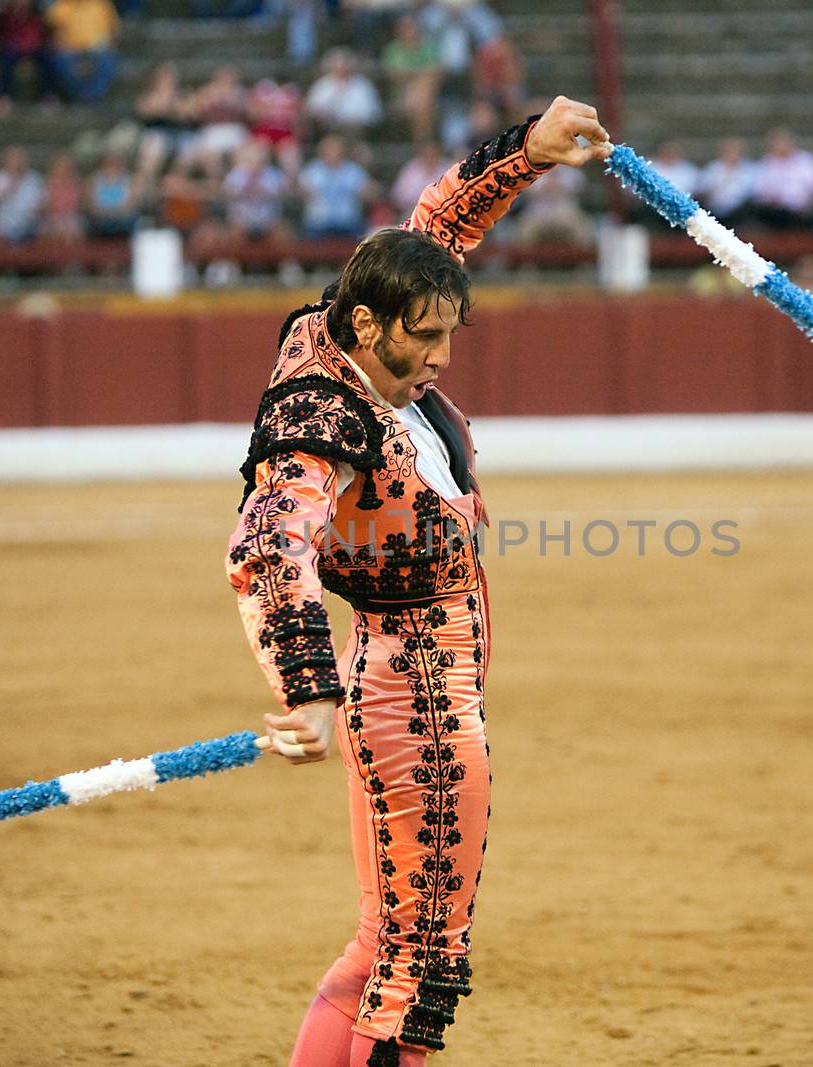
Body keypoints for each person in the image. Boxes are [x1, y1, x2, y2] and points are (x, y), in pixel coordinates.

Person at [226, 94, 612, 1067]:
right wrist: (304, 686)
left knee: (383, 943)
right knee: (424, 958)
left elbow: (433, 227)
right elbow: (270, 540)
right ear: (367, 324)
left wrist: (530, 147)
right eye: (423, 339)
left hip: (416, 671)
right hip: (414, 691)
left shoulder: (348, 324)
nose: (439, 359)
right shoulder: (323, 412)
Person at [748, 127, 813, 230]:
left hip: (804, 211)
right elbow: (759, 191)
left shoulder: (808, 161)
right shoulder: (766, 164)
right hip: (776, 213)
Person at [0, 0, 56, 116]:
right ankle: (3, 97)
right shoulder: (4, 13)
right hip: (11, 49)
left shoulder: (37, 13)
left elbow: (44, 34)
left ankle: (48, 96)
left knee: (49, 59)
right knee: (5, 60)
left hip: (33, 48)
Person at [296, 132, 370, 239]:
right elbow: (300, 192)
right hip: (319, 223)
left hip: (347, 222)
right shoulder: (312, 171)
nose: (333, 153)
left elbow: (368, 192)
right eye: (330, 150)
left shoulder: (353, 171)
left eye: (336, 150)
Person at [381, 15, 440, 143]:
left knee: (422, 95)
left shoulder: (427, 46)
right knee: (422, 95)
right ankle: (424, 141)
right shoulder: (393, 50)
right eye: (405, 29)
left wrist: (412, 74)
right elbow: (395, 75)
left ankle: (421, 141)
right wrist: (419, 74)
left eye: (412, 28)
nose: (409, 32)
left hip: (425, 94)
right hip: (401, 95)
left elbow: (435, 71)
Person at [46, 0, 117, 104]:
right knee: (60, 60)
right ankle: (79, 96)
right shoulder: (60, 6)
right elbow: (51, 34)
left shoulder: (102, 5)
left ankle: (92, 96)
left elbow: (114, 31)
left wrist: (105, 44)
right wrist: (64, 45)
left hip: (97, 51)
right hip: (70, 51)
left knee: (109, 58)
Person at [218, 138, 287, 241]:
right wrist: (244, 189)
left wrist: (263, 190)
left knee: (282, 234)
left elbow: (283, 193)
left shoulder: (273, 174)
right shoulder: (236, 174)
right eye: (251, 159)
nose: (255, 162)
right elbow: (225, 194)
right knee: (233, 233)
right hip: (241, 220)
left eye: (258, 159)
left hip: (268, 220)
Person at [303, 47, 380, 135]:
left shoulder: (363, 85)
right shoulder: (322, 84)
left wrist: (349, 119)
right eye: (337, 67)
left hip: (355, 129)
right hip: (326, 129)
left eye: (344, 66)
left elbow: (372, 114)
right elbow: (312, 108)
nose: (341, 69)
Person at [0, 143, 44, 243]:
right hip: (3, 224)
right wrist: (14, 182)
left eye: (20, 158)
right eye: (13, 158)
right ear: (5, 161)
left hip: (30, 224)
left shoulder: (35, 179)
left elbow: (43, 204)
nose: (17, 161)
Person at [698, 136, 754, 227]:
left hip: (741, 212)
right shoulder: (712, 169)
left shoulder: (750, 170)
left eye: (735, 150)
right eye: (729, 151)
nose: (732, 154)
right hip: (715, 211)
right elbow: (703, 190)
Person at [85, 149, 139, 238]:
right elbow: (91, 204)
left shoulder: (128, 180)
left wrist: (117, 212)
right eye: (110, 161)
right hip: (101, 217)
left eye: (116, 161)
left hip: (121, 217)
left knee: (132, 221)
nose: (113, 164)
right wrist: (104, 212)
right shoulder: (94, 180)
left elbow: (131, 203)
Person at [388, 139, 444, 217]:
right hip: (413, 212)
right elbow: (398, 196)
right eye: (427, 153)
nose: (430, 156)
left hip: (441, 213)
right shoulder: (411, 169)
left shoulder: (447, 169)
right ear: (421, 154)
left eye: (433, 153)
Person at [38, 150, 84, 242]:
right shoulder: (46, 182)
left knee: (71, 231)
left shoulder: (75, 181)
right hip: (51, 216)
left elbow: (78, 203)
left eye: (66, 164)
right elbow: (44, 204)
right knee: (50, 231)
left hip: (71, 215)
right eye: (61, 164)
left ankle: (72, 255)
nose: (63, 167)